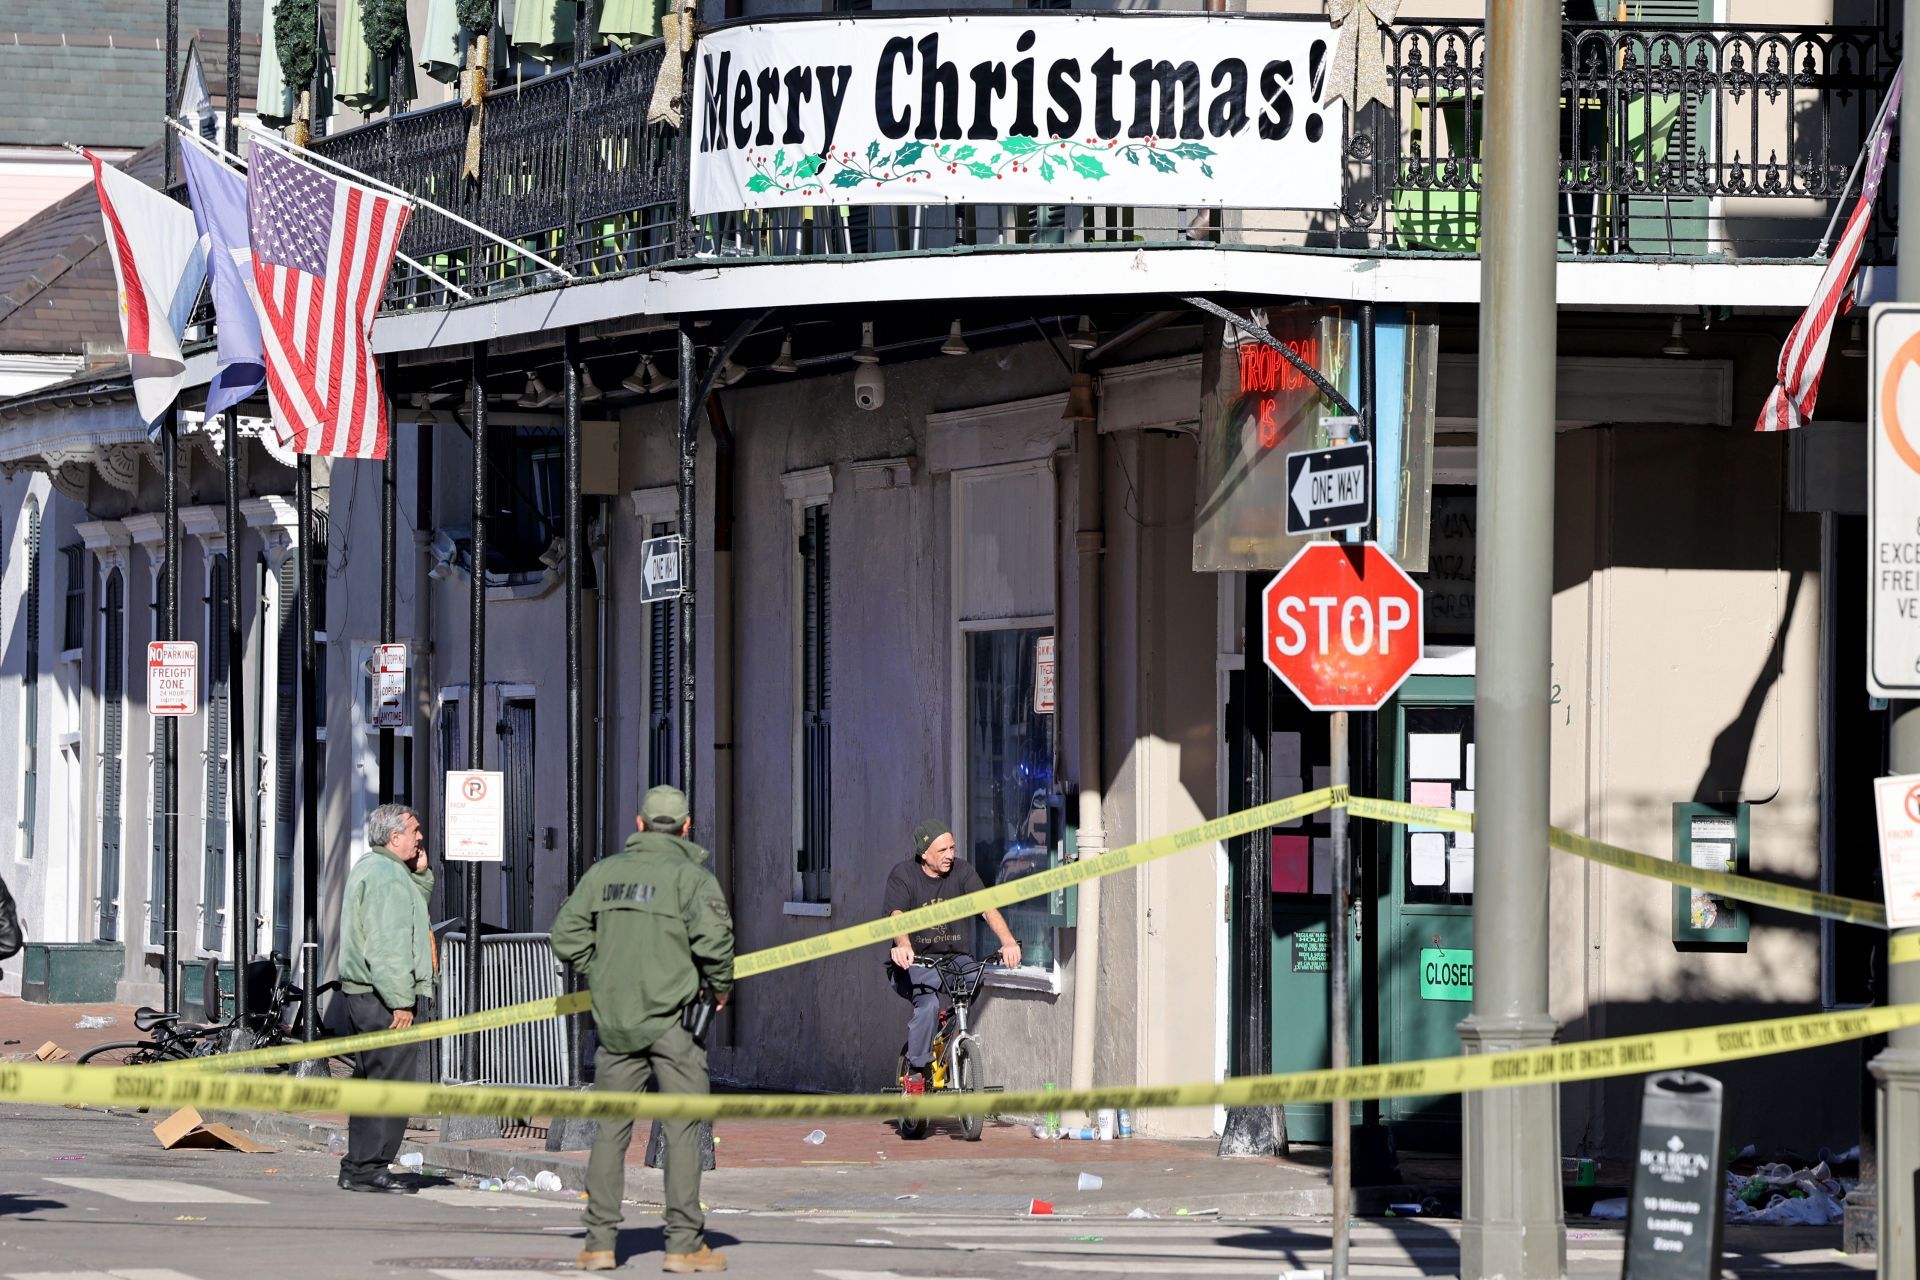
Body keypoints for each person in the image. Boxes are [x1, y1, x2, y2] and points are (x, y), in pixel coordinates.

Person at [552, 785, 734, 1275]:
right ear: (686, 827)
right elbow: (716, 942)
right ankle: (682, 1245)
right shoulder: (690, 878)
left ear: (638, 825)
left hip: (616, 1024)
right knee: (682, 1129)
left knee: (611, 1132)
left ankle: (599, 1244)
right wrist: (719, 988)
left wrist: (602, 971)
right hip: (675, 1022)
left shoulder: (604, 874)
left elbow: (565, 934)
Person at [335, 803, 436, 1195]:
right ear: (394, 837)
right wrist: (401, 1002)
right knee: (392, 1085)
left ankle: (358, 1167)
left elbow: (411, 910)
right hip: (381, 998)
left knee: (370, 1081)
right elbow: (390, 946)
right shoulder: (387, 878)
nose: (419, 836)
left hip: (363, 995)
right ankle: (371, 1167)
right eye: (414, 830)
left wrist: (421, 873)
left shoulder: (377, 868)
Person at [885, 820, 1022, 1094]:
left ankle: (949, 1025)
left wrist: (1007, 941)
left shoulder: (962, 871)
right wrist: (903, 945)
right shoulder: (904, 875)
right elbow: (897, 917)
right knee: (928, 1006)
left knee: (975, 974)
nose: (950, 855)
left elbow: (986, 907)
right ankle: (916, 1070)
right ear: (924, 854)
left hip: (953, 960)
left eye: (952, 847)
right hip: (916, 962)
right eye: (942, 850)